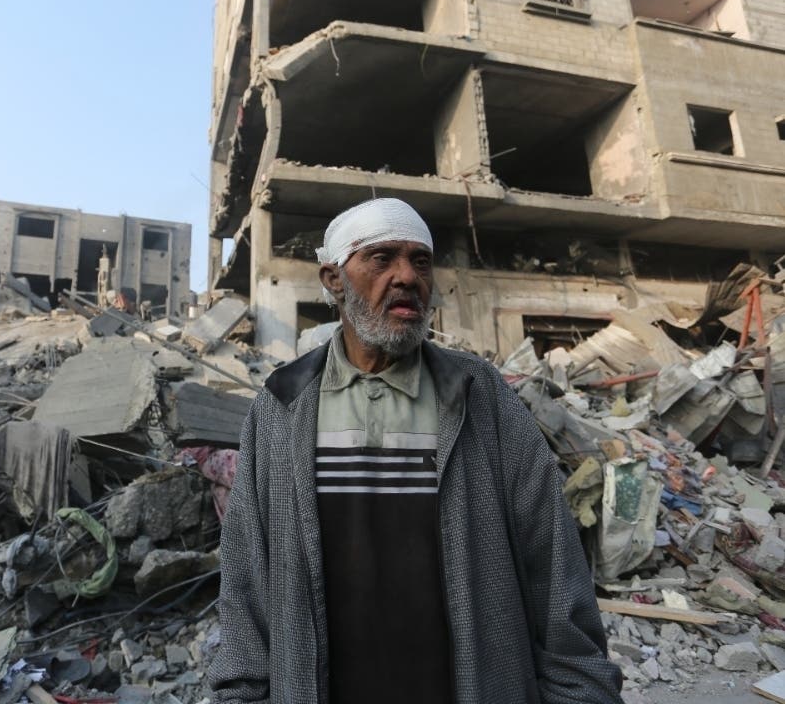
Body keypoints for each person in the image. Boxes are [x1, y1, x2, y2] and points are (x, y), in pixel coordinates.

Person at [209, 198, 622, 704]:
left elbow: (553, 560)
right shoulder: (282, 405)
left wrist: (580, 690)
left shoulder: (479, 396)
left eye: (420, 261)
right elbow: (247, 575)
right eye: (382, 259)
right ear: (334, 280)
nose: (407, 277)